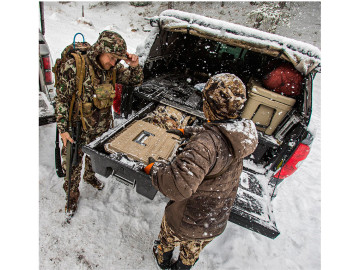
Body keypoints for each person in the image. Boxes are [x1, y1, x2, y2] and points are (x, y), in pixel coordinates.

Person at [144, 73, 258, 269]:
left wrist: (154, 169)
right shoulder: (243, 130)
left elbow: (177, 187)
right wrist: (187, 132)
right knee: (192, 250)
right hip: (215, 219)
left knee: (168, 238)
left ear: (209, 105)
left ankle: (162, 259)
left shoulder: (204, 145)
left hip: (188, 218)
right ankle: (183, 266)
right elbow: (219, 136)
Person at [55, 30, 143, 216]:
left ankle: (89, 176)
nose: (113, 63)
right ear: (100, 50)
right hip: (77, 127)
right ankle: (71, 195)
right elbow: (62, 100)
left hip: (101, 126)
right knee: (72, 164)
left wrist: (134, 65)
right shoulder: (75, 67)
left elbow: (135, 80)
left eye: (116, 59)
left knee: (93, 157)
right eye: (111, 57)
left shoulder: (113, 69)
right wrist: (63, 129)